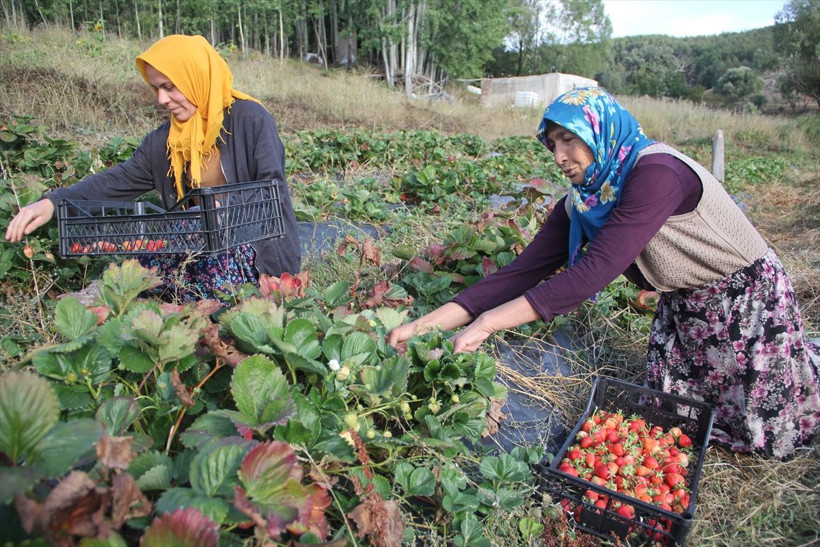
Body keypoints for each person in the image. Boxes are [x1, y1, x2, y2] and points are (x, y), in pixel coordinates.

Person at [387, 87, 820, 460]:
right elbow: (521, 272)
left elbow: (592, 273)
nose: (559, 157)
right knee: (681, 419)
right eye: (551, 143)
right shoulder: (586, 199)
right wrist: (421, 327)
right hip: (687, 300)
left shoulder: (656, 174)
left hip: (745, 297)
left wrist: (487, 324)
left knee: (769, 433)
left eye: (568, 139)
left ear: (600, 132)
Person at [5, 34, 300, 301]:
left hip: (256, 251)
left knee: (206, 268)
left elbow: (270, 194)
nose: (161, 99)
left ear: (195, 77)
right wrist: (52, 203)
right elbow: (118, 180)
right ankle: (114, 294)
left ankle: (193, 301)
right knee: (148, 254)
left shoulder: (250, 120)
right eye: (156, 88)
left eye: (170, 87)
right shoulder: (165, 141)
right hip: (198, 240)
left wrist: (213, 215)